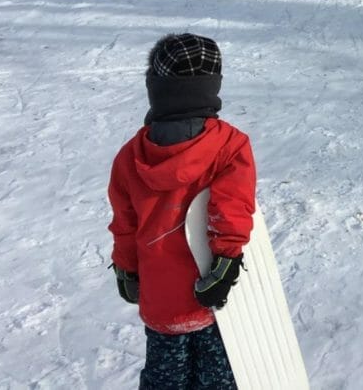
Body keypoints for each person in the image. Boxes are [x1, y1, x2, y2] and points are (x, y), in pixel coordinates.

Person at [108, 33, 255, 390]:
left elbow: (126, 225)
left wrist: (126, 269)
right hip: (212, 300)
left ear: (155, 88)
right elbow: (230, 212)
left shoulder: (130, 157)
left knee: (165, 381)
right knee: (216, 382)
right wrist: (225, 265)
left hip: (162, 303)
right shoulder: (229, 146)